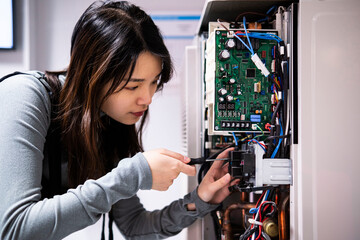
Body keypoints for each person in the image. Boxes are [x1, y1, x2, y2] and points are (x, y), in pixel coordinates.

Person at [0, 1, 235, 239]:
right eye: (133, 86)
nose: (147, 98)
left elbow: (134, 226)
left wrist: (200, 199)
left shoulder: (108, 123)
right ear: (94, 75)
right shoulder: (24, 95)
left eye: (154, 82)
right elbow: (14, 229)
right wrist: (133, 175)